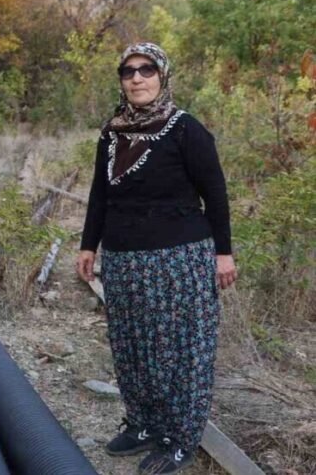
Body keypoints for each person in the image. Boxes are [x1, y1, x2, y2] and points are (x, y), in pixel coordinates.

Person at [76, 42, 237, 474]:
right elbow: (99, 194)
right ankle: (145, 424)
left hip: (179, 259)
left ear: (162, 75)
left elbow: (216, 195)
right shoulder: (112, 133)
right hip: (125, 260)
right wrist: (89, 244)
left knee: (181, 351)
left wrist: (224, 253)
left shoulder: (186, 130)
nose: (137, 78)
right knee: (133, 348)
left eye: (146, 70)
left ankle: (180, 438)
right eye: (128, 71)